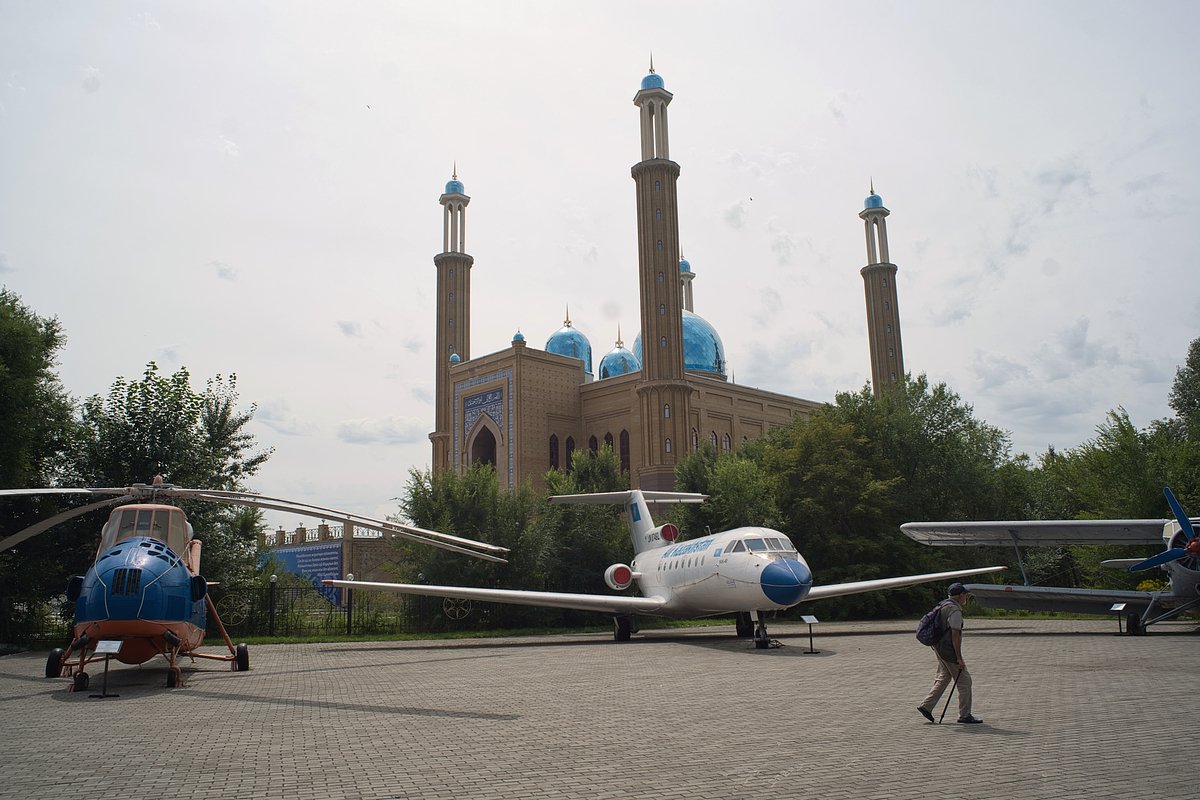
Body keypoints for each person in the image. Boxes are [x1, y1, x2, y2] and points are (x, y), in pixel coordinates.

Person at [917, 582, 983, 724]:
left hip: (938, 647)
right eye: (965, 594)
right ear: (960, 596)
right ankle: (965, 715)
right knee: (965, 682)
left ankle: (926, 706)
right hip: (947, 650)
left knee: (945, 676)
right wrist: (959, 658)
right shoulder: (954, 610)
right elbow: (955, 634)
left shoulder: (943, 604)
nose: (966, 597)